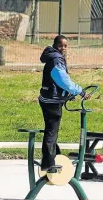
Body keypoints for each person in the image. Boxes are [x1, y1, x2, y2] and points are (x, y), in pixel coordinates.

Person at [38, 35, 90, 173]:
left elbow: (57, 82)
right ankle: (48, 164)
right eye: (61, 45)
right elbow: (63, 80)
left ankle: (51, 157)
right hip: (52, 100)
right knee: (51, 131)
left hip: (47, 97)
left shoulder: (51, 56)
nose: (63, 48)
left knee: (51, 130)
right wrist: (80, 91)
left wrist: (66, 95)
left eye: (65, 46)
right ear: (55, 45)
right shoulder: (56, 59)